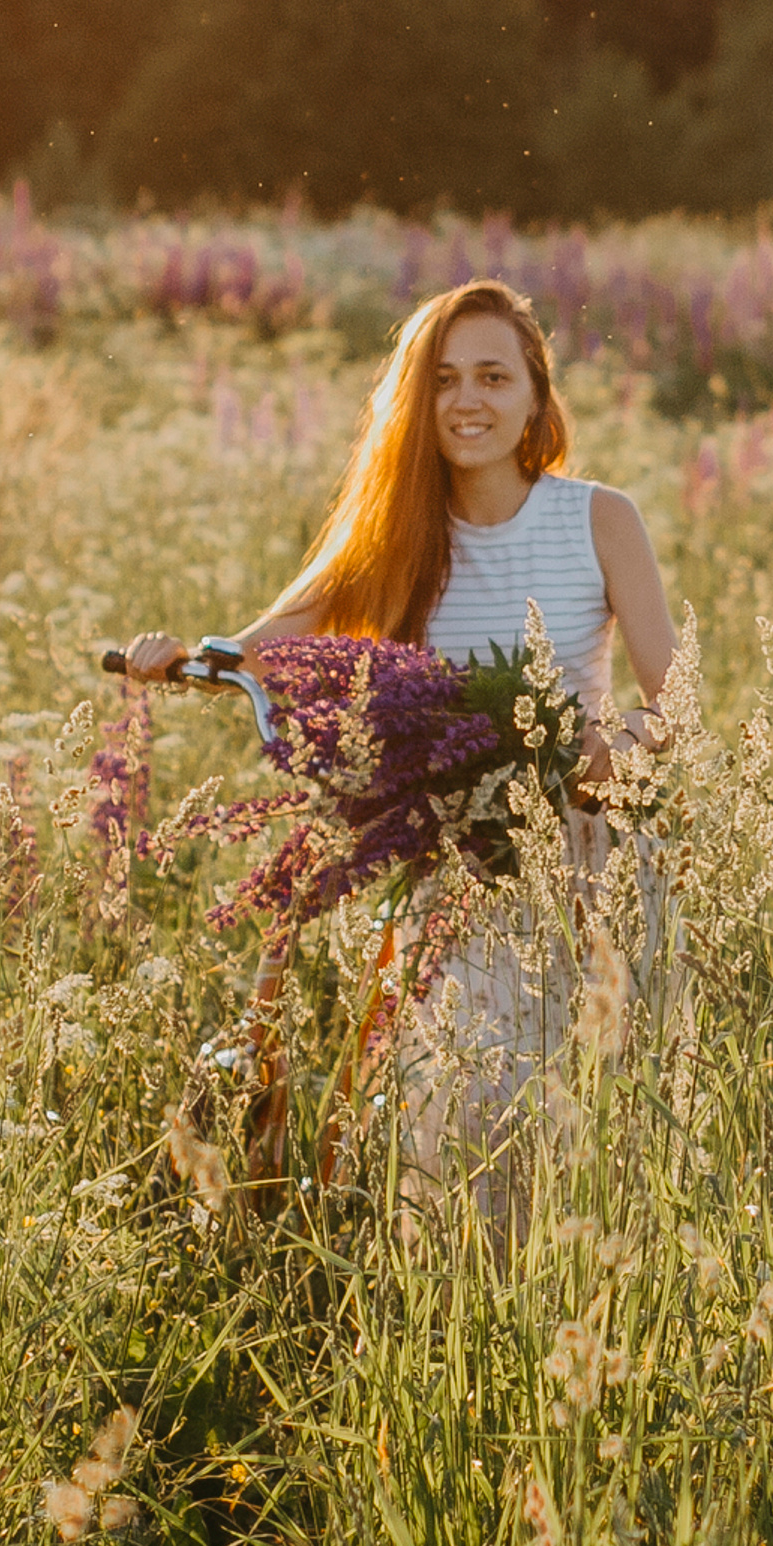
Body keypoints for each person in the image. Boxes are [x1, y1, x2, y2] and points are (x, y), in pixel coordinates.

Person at [123, 277, 679, 1189]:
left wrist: (606, 740)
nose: (469, 401)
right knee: (461, 1111)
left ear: (536, 394)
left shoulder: (598, 519)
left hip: (588, 849)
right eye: (447, 379)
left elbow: (676, 702)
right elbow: (265, 641)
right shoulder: (394, 536)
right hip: (461, 866)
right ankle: (456, 1308)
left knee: (590, 1116)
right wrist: (182, 658)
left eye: (495, 377)